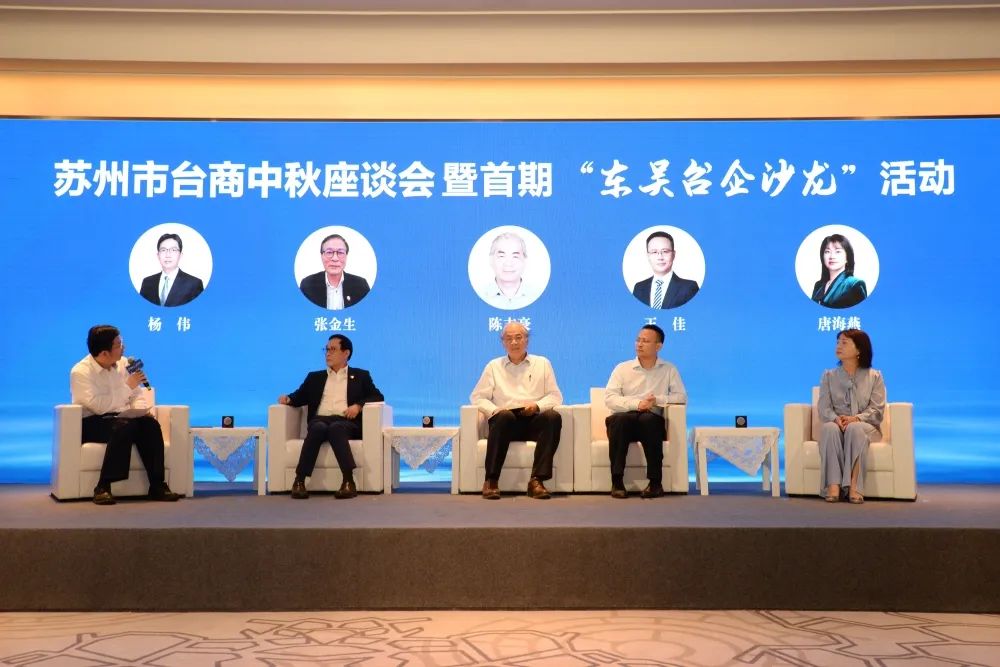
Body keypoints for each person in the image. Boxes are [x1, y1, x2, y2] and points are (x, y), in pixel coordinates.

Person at [69, 325, 182, 505]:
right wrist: (127, 386)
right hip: (94, 422)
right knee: (124, 426)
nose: (124, 347)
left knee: (150, 425)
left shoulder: (125, 364)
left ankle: (157, 485)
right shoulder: (80, 372)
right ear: (104, 353)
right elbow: (99, 406)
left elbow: (137, 395)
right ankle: (103, 486)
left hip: (125, 419)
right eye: (119, 344)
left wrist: (140, 411)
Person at [278, 334, 383, 499]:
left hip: (346, 422)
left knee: (336, 428)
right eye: (326, 350)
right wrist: (288, 399)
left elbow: (377, 396)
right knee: (317, 428)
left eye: (333, 349)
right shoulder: (315, 377)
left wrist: (358, 406)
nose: (327, 353)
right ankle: (299, 481)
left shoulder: (361, 375)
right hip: (320, 420)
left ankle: (348, 481)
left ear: (346, 353)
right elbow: (299, 396)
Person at [470, 321, 563, 499]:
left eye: (518, 337)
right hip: (505, 423)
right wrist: (495, 410)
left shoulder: (542, 363)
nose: (514, 342)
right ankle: (491, 481)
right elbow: (477, 397)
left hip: (532, 420)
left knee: (553, 417)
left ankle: (536, 481)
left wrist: (537, 406)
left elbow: (555, 396)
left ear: (527, 340)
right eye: (509, 338)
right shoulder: (493, 366)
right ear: (503, 342)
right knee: (504, 416)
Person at [604, 324, 687, 499]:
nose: (639, 344)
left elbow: (681, 397)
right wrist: (637, 404)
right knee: (619, 420)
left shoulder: (669, 369)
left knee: (649, 420)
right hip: (625, 419)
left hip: (650, 421)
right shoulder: (622, 368)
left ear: (658, 346)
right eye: (638, 340)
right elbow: (610, 398)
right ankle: (617, 481)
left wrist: (657, 400)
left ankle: (655, 483)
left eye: (645, 341)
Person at [817, 329, 885, 504]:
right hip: (838, 424)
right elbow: (824, 407)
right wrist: (835, 418)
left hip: (865, 426)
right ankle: (833, 486)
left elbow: (877, 410)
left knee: (854, 428)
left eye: (844, 342)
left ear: (859, 349)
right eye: (838, 342)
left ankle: (855, 487)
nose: (838, 346)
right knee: (829, 428)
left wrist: (857, 418)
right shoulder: (828, 376)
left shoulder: (875, 376)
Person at [299, 234, 371, 309]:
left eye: (340, 253)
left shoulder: (361, 285)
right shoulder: (308, 285)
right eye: (329, 252)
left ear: (346, 256)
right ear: (322, 256)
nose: (335, 258)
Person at [631, 231, 700, 309]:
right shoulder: (639, 288)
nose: (660, 257)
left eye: (665, 251)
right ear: (648, 256)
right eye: (654, 252)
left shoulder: (689, 288)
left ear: (673, 255)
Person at [139, 233, 205, 307]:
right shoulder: (147, 282)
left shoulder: (194, 284)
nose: (168, 255)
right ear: (158, 255)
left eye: (173, 250)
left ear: (180, 255)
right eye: (163, 250)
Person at [479, 231, 537, 310]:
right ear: (491, 260)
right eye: (501, 256)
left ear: (525, 260)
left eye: (515, 256)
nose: (508, 263)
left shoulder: (537, 295)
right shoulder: (481, 295)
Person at [811, 233, 867, 309]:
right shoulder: (818, 286)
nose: (831, 256)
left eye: (838, 251)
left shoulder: (854, 284)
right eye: (827, 251)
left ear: (847, 257)